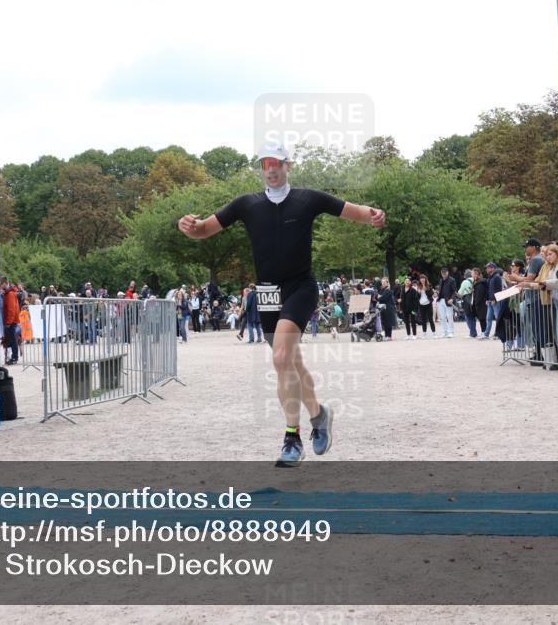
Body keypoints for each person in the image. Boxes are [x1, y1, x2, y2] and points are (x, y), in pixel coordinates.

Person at [178, 142, 386, 466]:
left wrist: (373, 215)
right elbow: (204, 229)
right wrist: (190, 228)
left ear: (288, 165)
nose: (271, 169)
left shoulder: (307, 199)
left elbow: (351, 210)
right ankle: (319, 415)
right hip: (267, 293)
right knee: (292, 363)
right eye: (265, 164)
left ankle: (292, 438)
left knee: (279, 358)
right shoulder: (247, 204)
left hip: (300, 287)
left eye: (276, 163)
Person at [0, 276, 21, 365]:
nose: (0, 286)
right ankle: (13, 357)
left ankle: (14, 357)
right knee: (11, 339)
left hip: (11, 321)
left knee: (13, 340)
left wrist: (9, 322)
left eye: (1, 284)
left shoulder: (10, 294)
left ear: (5, 283)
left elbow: (11, 309)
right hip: (11, 320)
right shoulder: (8, 293)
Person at [483, 263, 503, 339]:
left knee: (498, 318)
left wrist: (495, 299)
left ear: (493, 268)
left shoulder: (497, 277)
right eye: (487, 268)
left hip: (495, 301)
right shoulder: (490, 277)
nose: (487, 269)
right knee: (488, 318)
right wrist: (487, 299)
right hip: (490, 301)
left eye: (488, 268)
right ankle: (486, 334)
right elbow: (488, 290)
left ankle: (498, 334)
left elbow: (498, 289)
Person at [436, 267, 457, 338]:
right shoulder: (441, 280)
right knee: (442, 317)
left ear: (448, 272)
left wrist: (452, 299)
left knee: (449, 317)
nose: (443, 274)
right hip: (441, 300)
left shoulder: (452, 280)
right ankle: (444, 332)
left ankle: (451, 332)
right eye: (442, 272)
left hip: (448, 301)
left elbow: (454, 291)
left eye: (445, 272)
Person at [416, 275, 435, 339]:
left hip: (428, 304)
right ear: (420, 280)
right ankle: (424, 334)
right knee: (423, 320)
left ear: (425, 279)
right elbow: (417, 297)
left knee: (430, 319)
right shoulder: (418, 286)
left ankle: (434, 333)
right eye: (421, 278)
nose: (422, 279)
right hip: (421, 304)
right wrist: (418, 292)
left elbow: (431, 294)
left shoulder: (429, 285)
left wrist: (426, 290)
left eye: (423, 278)